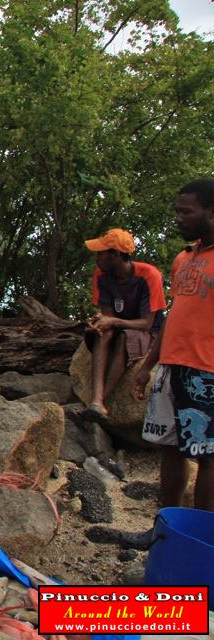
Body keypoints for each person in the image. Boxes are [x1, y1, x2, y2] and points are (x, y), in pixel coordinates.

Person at [131, 178, 214, 521]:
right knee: (169, 447)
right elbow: (173, 316)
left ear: (211, 212)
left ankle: (202, 535)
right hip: (169, 366)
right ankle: (167, 524)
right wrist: (148, 364)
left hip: (205, 369)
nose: (178, 218)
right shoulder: (183, 258)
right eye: (177, 211)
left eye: (186, 211)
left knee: (207, 454)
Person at [82, 228, 165, 423]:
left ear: (116, 255)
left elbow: (146, 323)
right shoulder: (101, 275)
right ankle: (96, 401)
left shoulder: (149, 275)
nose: (97, 257)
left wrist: (113, 321)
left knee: (124, 339)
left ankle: (100, 400)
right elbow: (108, 315)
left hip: (144, 330)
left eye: (101, 253)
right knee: (104, 332)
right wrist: (101, 321)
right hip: (121, 325)